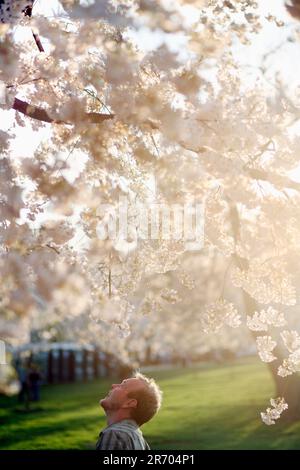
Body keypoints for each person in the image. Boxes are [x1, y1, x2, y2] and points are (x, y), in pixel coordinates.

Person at [96, 372, 162, 450]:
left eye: (122, 385)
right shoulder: (141, 441)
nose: (113, 385)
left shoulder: (115, 434)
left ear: (129, 403)